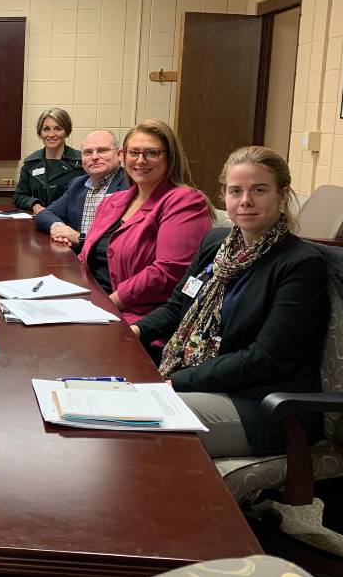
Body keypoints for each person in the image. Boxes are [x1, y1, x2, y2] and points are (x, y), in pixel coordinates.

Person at [131, 146, 329, 457]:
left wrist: (176, 381)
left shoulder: (301, 264)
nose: (245, 201)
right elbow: (177, 308)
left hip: (262, 403)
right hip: (205, 382)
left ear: (282, 194)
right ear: (224, 195)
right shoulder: (215, 243)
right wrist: (135, 331)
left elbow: (265, 358)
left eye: (259, 190)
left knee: (136, 428)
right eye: (236, 191)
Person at [79, 119, 212, 324]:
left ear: (170, 157)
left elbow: (168, 273)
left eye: (151, 153)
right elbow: (85, 257)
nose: (140, 161)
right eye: (134, 153)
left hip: (139, 319)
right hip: (94, 307)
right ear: (123, 156)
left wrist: (104, 304)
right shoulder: (112, 202)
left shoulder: (185, 201)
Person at [34, 129, 127, 252]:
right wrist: (60, 228)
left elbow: (126, 243)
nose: (94, 157)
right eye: (88, 152)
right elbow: (44, 214)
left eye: (102, 151)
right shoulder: (78, 184)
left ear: (119, 154)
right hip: (74, 261)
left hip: (108, 266)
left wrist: (78, 237)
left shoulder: (131, 186)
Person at [13, 107, 85, 214]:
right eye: (46, 129)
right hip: (38, 221)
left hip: (68, 223)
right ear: (40, 133)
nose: (51, 134)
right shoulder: (31, 163)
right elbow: (19, 196)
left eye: (58, 128)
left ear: (66, 132)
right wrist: (34, 205)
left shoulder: (81, 162)